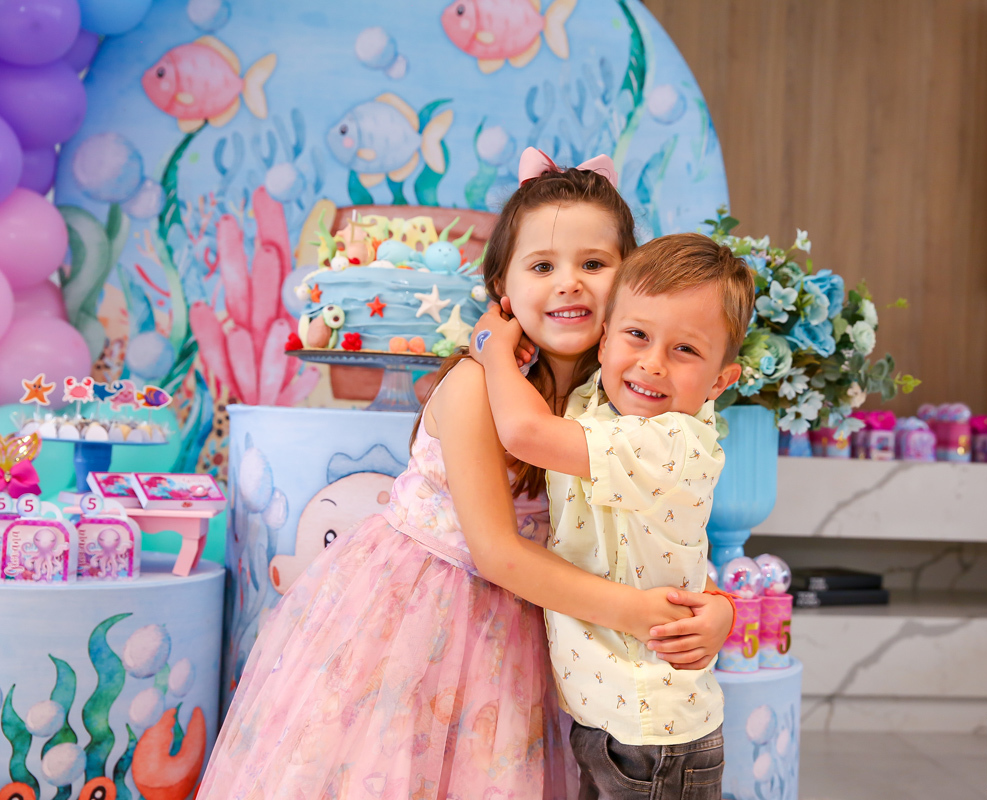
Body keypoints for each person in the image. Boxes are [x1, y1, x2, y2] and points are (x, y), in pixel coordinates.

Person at [196, 152, 735, 800]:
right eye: (543, 266)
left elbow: (653, 533)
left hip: (540, 625)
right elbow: (497, 553)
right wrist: (643, 614)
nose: (569, 283)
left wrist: (716, 605)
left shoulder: (620, 400)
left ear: (629, 281)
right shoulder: (476, 386)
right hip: (427, 614)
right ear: (503, 286)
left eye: (593, 264)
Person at [471, 232, 754, 799]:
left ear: (721, 381)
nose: (652, 364)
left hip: (653, 732)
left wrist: (491, 348)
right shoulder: (598, 403)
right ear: (604, 341)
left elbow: (524, 432)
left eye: (685, 350)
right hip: (612, 715)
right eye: (637, 335)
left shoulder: (670, 441)